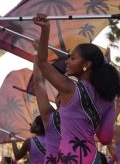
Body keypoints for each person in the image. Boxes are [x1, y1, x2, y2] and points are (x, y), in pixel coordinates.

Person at [35, 13, 119, 163]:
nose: (67, 61)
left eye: (72, 58)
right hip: (93, 159)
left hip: (69, 158)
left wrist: (45, 30)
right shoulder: (108, 99)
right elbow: (105, 138)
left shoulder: (69, 89)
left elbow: (42, 62)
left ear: (86, 65)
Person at [33, 62, 61, 163]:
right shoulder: (49, 115)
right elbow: (38, 82)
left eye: (65, 94)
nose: (62, 97)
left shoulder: (80, 116)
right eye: (59, 95)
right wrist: (38, 56)